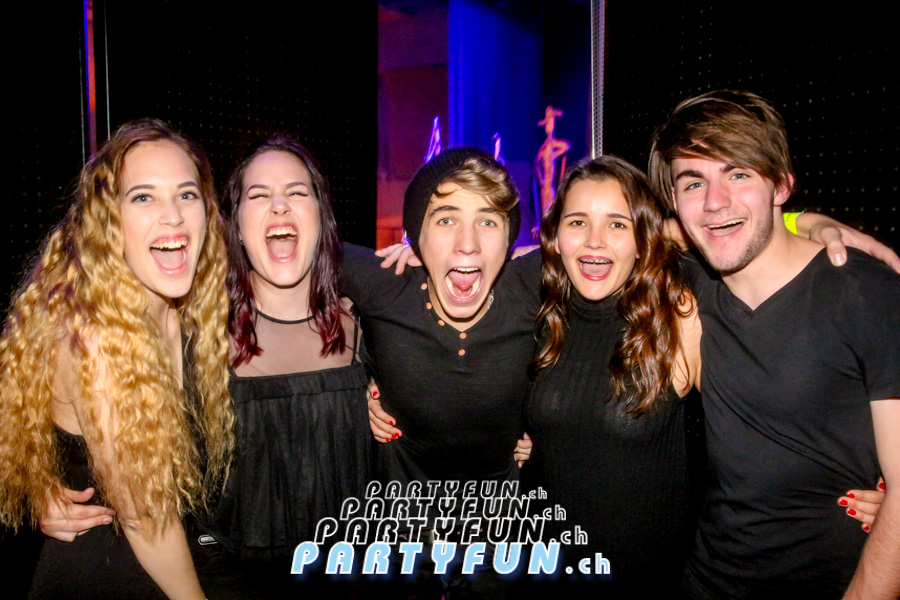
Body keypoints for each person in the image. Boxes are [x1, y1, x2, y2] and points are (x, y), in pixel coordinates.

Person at [647, 90, 900, 599]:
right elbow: (618, 235)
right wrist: (804, 219)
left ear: (781, 183)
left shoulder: (865, 291)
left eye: (739, 173)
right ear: (675, 200)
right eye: (694, 182)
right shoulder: (697, 278)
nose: (714, 201)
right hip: (707, 580)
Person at [0, 119, 233, 599]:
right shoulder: (97, 339)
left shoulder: (193, 312)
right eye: (143, 197)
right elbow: (146, 518)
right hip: (109, 578)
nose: (172, 216)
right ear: (109, 220)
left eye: (186, 195)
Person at [340, 147, 539, 597]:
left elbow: (629, 242)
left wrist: (548, 428)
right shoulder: (385, 285)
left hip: (502, 546)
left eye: (488, 221)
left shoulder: (529, 289)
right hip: (399, 545)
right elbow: (288, 246)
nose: (468, 244)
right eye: (446, 219)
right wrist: (351, 384)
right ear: (417, 235)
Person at [192, 135, 370, 597]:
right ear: (235, 225)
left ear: (321, 217)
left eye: (296, 191)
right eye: (259, 195)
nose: (279, 206)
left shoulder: (372, 330)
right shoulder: (194, 340)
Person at [522, 155, 701, 595]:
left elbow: (763, 414)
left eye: (617, 224)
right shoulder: (538, 311)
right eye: (578, 222)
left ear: (642, 240)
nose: (595, 241)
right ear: (556, 237)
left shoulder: (676, 314)